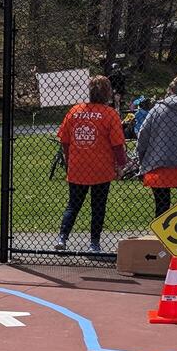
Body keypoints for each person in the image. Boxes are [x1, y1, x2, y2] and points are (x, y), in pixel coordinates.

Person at [55, 75, 128, 254]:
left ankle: (62, 238)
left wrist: (68, 157)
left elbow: (64, 140)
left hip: (78, 166)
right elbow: (117, 145)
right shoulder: (110, 114)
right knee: (98, 206)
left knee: (73, 204)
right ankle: (94, 243)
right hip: (101, 168)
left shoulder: (75, 110)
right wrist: (121, 165)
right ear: (107, 93)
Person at [137, 76, 177, 217]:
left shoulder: (158, 109)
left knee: (161, 205)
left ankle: (161, 236)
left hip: (158, 164)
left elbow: (143, 134)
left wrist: (142, 161)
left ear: (170, 90)